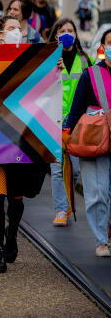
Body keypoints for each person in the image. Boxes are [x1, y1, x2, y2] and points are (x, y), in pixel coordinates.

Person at [0, 15, 31, 273]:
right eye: (10, 28)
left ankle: (12, 234)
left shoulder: (34, 58)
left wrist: (56, 67)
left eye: (19, 29)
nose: (16, 32)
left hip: (21, 139)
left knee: (16, 199)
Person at [63, 27, 111, 257]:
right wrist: (67, 133)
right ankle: (101, 239)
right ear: (103, 47)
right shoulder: (90, 75)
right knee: (96, 193)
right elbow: (76, 108)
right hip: (94, 139)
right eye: (110, 43)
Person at [48, 18, 90, 227]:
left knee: (75, 170)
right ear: (55, 35)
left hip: (77, 121)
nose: (67, 34)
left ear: (76, 34)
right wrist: (50, 68)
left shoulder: (84, 59)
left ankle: (68, 201)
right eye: (62, 30)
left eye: (70, 30)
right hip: (53, 119)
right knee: (57, 167)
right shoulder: (48, 59)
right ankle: (61, 210)